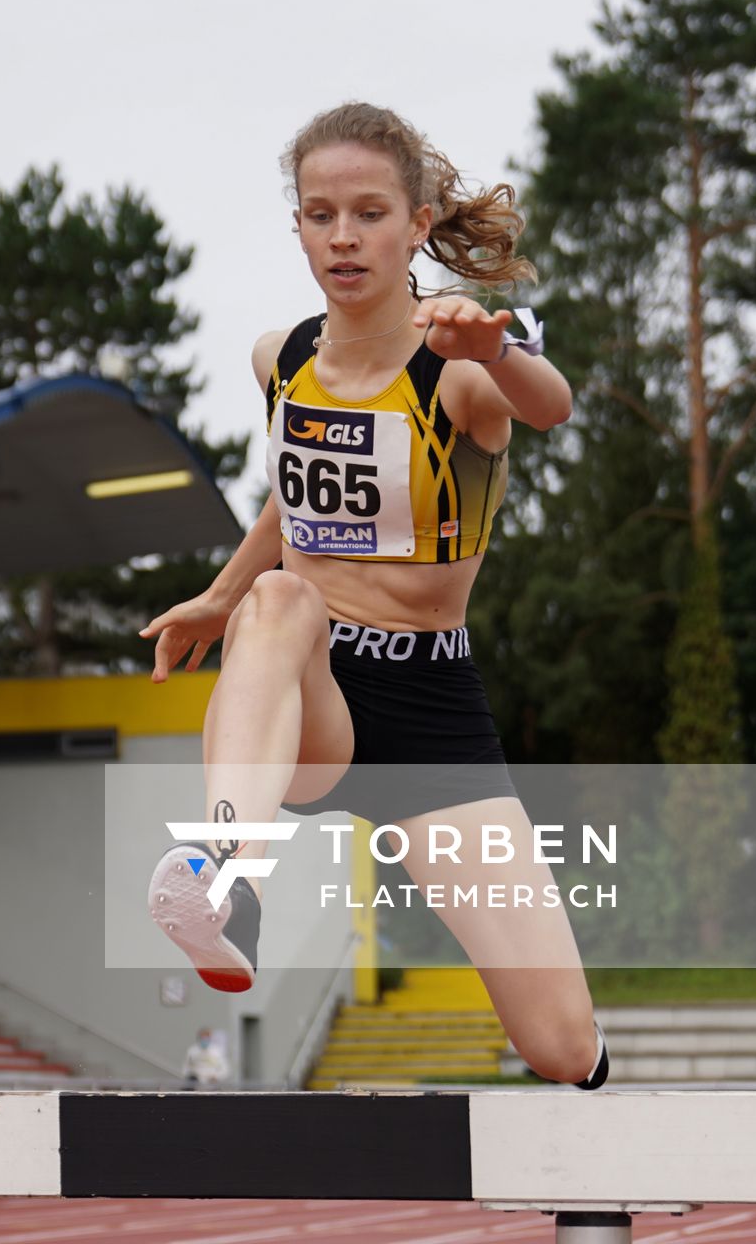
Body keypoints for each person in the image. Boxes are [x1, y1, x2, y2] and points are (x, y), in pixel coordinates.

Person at [138, 102, 603, 1089]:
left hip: (431, 714)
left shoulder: (460, 376)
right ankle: (226, 875)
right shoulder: (283, 361)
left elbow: (554, 404)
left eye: (368, 213)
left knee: (559, 1044)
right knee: (278, 603)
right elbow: (291, 499)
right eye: (319, 214)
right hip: (316, 697)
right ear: (298, 226)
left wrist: (498, 350)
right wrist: (222, 596)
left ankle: (604, 1082)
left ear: (417, 224)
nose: (342, 237)